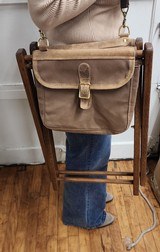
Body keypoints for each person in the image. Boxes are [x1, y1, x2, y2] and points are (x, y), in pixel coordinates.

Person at [28, 0, 122, 229]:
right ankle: (84, 213)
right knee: (89, 142)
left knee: (95, 141)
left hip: (101, 57)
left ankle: (90, 192)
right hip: (82, 60)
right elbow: (43, 11)